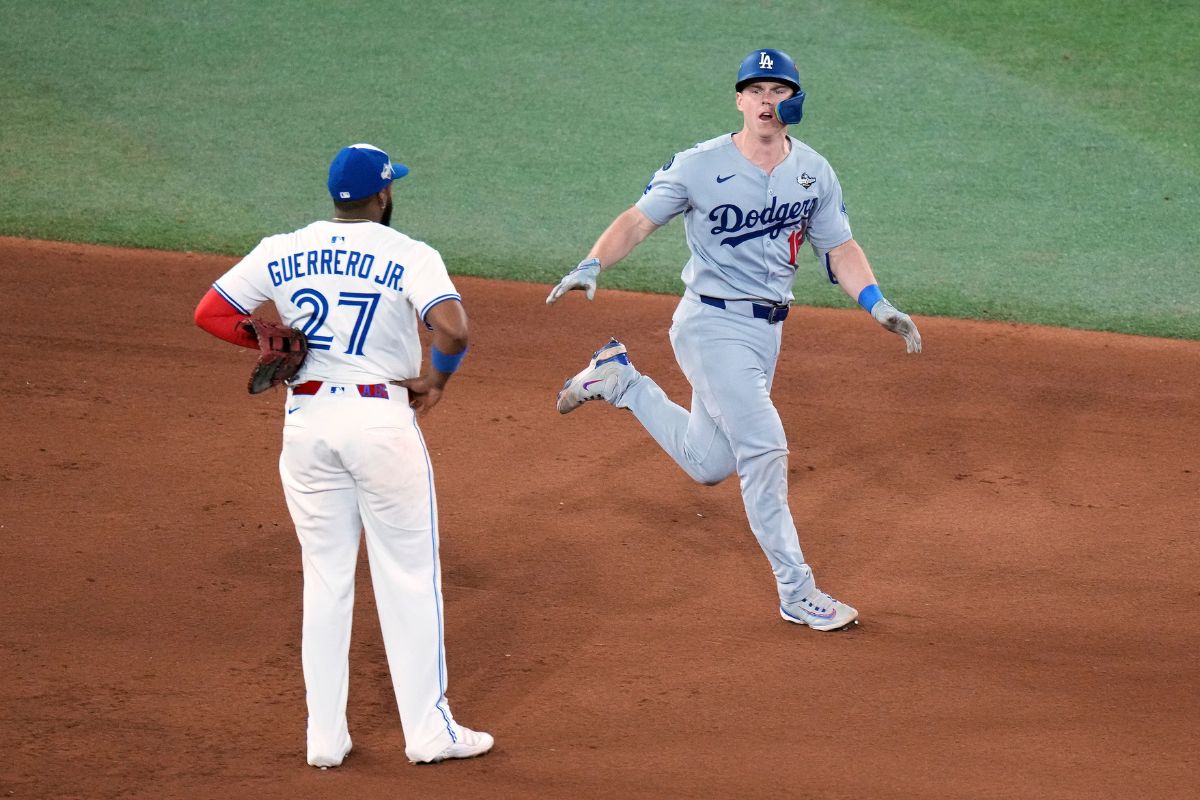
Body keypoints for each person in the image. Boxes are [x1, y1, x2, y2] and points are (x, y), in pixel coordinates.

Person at [546, 49, 922, 632]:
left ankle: (619, 380)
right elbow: (640, 219)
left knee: (710, 463)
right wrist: (592, 262)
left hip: (765, 333)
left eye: (779, 89)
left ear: (794, 100)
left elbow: (839, 248)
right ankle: (797, 591)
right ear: (740, 100)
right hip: (709, 326)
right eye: (757, 90)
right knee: (765, 450)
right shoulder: (700, 165)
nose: (768, 100)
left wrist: (877, 303)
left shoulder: (814, 172)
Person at [193, 143, 493, 766]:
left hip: (307, 424)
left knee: (325, 579)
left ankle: (324, 740)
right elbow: (455, 327)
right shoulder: (410, 253)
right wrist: (436, 379)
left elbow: (211, 312)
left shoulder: (282, 247)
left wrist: (263, 334)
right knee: (408, 577)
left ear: (336, 196)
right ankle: (429, 733)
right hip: (379, 420)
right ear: (383, 196)